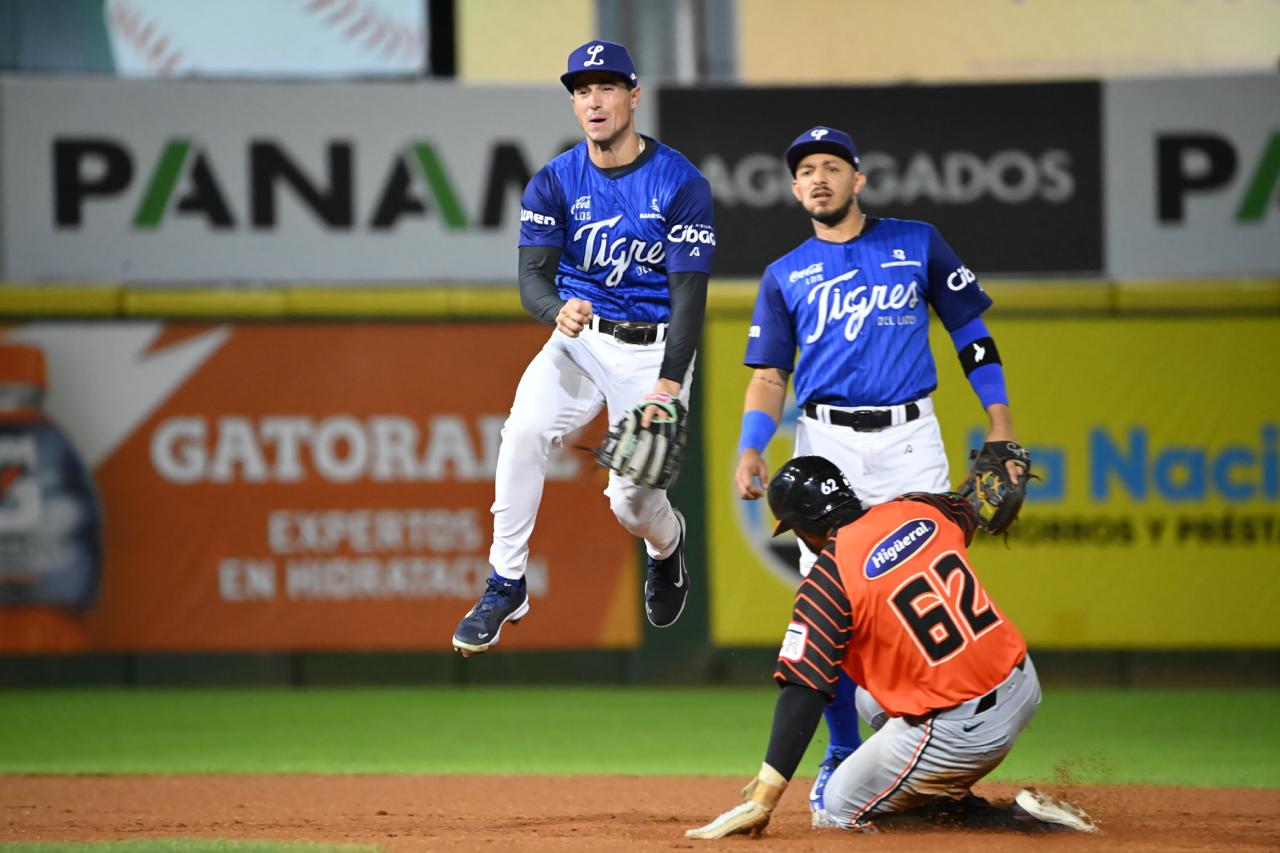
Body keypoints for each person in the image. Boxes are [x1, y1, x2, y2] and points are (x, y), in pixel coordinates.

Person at [732, 125, 1030, 812]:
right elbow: (770, 375)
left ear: (858, 179)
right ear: (793, 187)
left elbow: (970, 332)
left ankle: (951, 720)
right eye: (806, 170)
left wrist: (1001, 419)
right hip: (826, 439)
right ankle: (843, 747)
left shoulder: (916, 241)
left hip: (909, 434)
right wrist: (753, 444)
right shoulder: (785, 274)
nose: (819, 179)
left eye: (832, 166)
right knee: (831, 599)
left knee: (922, 571)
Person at [452, 40, 715, 656]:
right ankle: (505, 582)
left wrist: (670, 384)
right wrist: (555, 309)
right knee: (521, 433)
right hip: (581, 341)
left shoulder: (680, 182)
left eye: (605, 88)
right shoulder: (555, 181)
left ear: (632, 95)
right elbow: (532, 280)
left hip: (654, 351)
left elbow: (689, 298)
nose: (592, 101)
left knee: (630, 501)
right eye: (580, 91)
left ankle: (667, 545)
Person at [686, 456, 1096, 839]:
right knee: (869, 698)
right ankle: (944, 785)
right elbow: (972, 507)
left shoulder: (828, 578)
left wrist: (765, 797)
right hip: (1021, 682)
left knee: (837, 810)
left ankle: (1014, 820)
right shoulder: (920, 508)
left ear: (805, 527)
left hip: (963, 731)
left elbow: (804, 688)